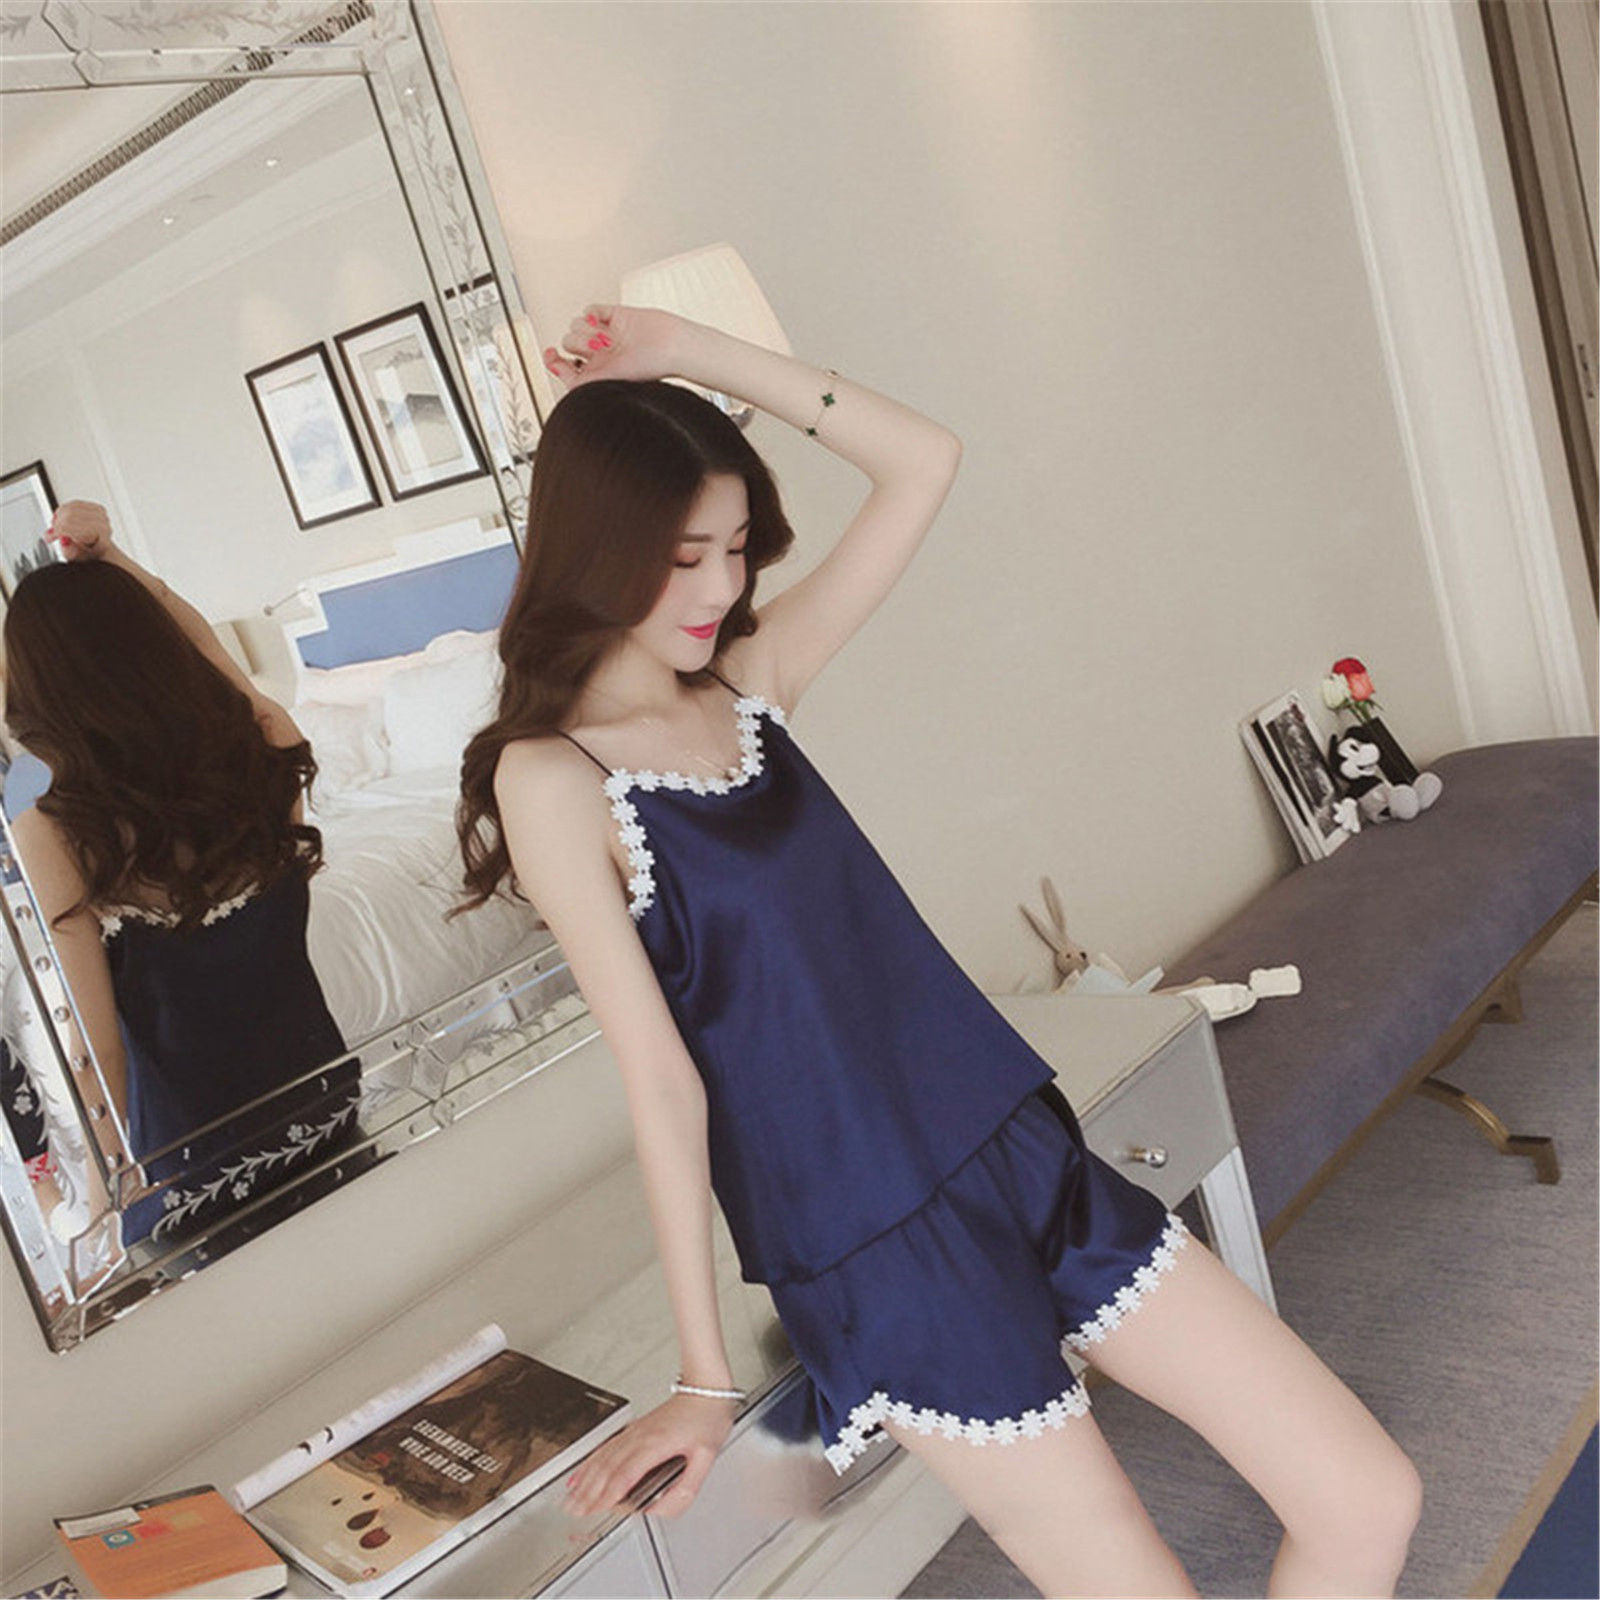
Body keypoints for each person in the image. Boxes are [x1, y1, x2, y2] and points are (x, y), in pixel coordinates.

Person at [456, 307, 1422, 1597]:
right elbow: (661, 1078)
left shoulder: (747, 685)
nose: (720, 589)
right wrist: (703, 1375)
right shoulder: (551, 776)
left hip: (1008, 1142)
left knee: (1365, 1495)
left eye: (735, 549)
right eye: (684, 556)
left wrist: (687, 352)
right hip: (871, 1238)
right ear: (599, 548)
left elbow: (923, 459)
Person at [3, 504, 355, 1249]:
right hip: (322, 1102)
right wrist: (119, 563)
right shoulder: (265, 744)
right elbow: (211, 656)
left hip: (193, 1163)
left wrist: (106, 1186)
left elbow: (92, 1045)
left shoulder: (56, 827)